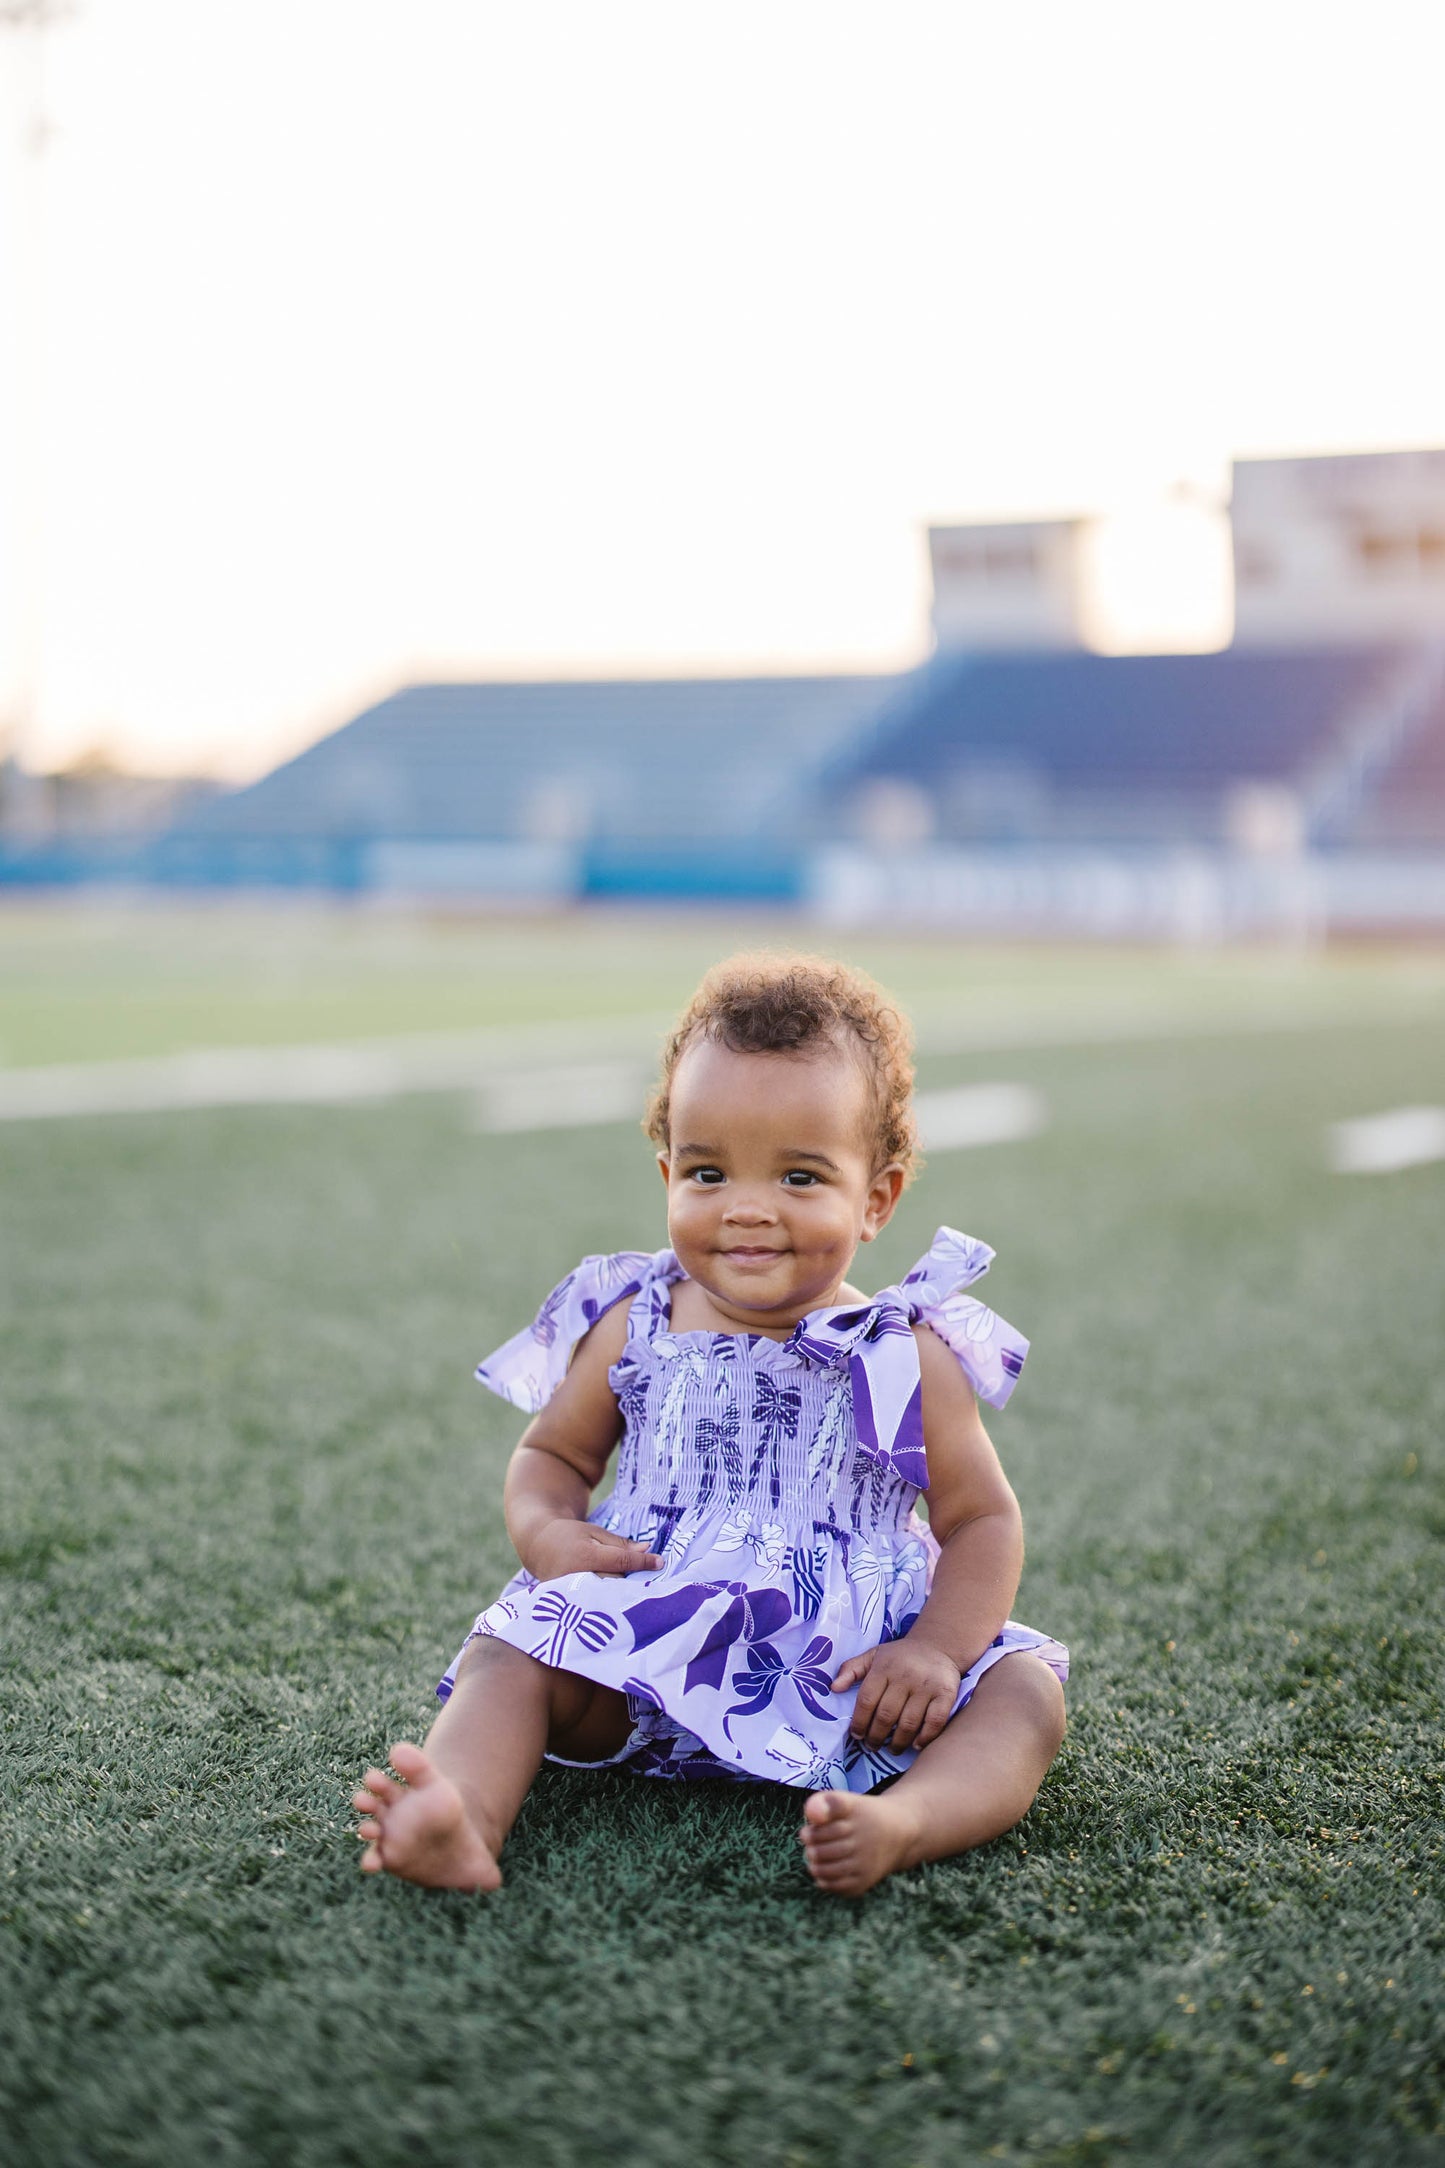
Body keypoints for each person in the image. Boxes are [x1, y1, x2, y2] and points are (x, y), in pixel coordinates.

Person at [353, 953, 1068, 1897]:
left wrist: (933, 1650)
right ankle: (460, 1816)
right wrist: (549, 1531)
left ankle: (902, 1821)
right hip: (646, 1652)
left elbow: (981, 1520)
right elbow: (552, 1455)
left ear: (877, 1200)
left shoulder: (901, 1353)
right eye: (707, 1171)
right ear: (665, 1173)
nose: (746, 1209)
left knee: (1025, 1695)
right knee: (511, 1647)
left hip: (849, 1677)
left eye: (801, 1177)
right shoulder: (635, 1319)